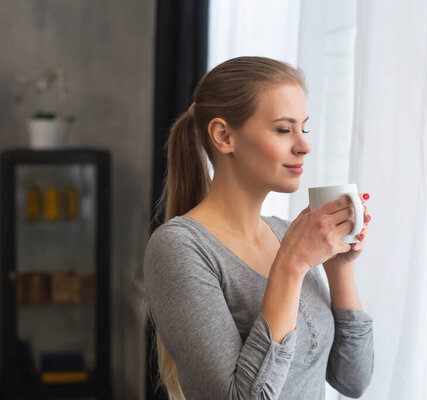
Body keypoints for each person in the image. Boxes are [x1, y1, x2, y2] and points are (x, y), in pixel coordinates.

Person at [143, 56, 374, 400]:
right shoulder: (179, 248)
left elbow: (352, 380)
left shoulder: (284, 233)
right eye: (284, 129)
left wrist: (338, 269)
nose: (304, 145)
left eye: (303, 128)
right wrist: (292, 265)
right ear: (223, 136)